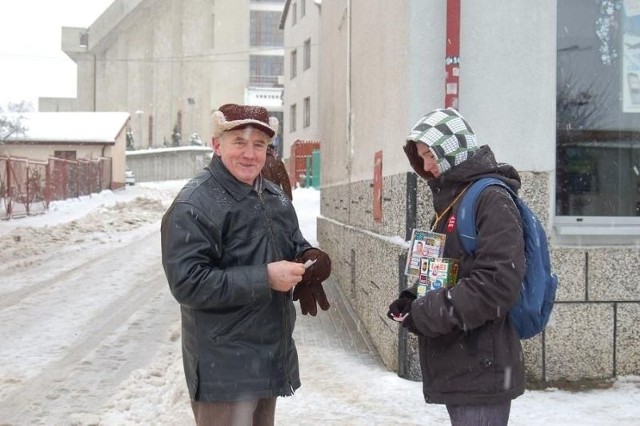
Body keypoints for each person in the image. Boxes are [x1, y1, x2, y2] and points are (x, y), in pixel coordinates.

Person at [161, 103, 331, 426]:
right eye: (239, 142)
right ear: (217, 144)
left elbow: (293, 244)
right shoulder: (194, 204)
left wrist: (311, 259)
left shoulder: (273, 196)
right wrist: (265, 278)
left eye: (259, 145)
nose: (250, 154)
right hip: (224, 370)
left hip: (267, 359)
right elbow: (188, 283)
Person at [387, 107, 526, 426]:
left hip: (482, 368)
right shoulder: (454, 199)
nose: (426, 166)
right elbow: (448, 267)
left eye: (430, 155)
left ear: (453, 149)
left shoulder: (491, 199)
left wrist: (427, 313)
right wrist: (413, 298)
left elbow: (497, 285)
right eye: (420, 157)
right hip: (463, 364)